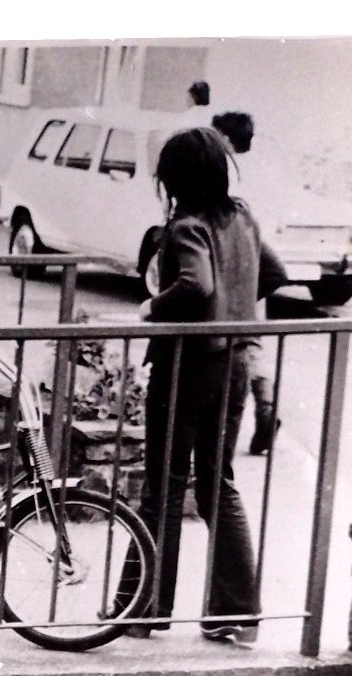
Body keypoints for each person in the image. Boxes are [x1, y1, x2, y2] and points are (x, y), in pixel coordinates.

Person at [123, 127, 288, 645]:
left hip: (187, 367)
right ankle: (236, 612)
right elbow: (275, 273)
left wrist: (152, 306)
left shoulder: (186, 226)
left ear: (175, 177)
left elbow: (196, 285)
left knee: (165, 486)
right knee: (220, 483)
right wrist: (233, 310)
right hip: (234, 364)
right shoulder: (241, 217)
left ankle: (142, 608)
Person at [212, 111, 280, 456]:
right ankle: (266, 407)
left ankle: (255, 415)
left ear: (225, 138)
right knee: (254, 345)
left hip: (234, 268)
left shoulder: (227, 172)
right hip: (256, 267)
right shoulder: (262, 171)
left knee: (236, 348)